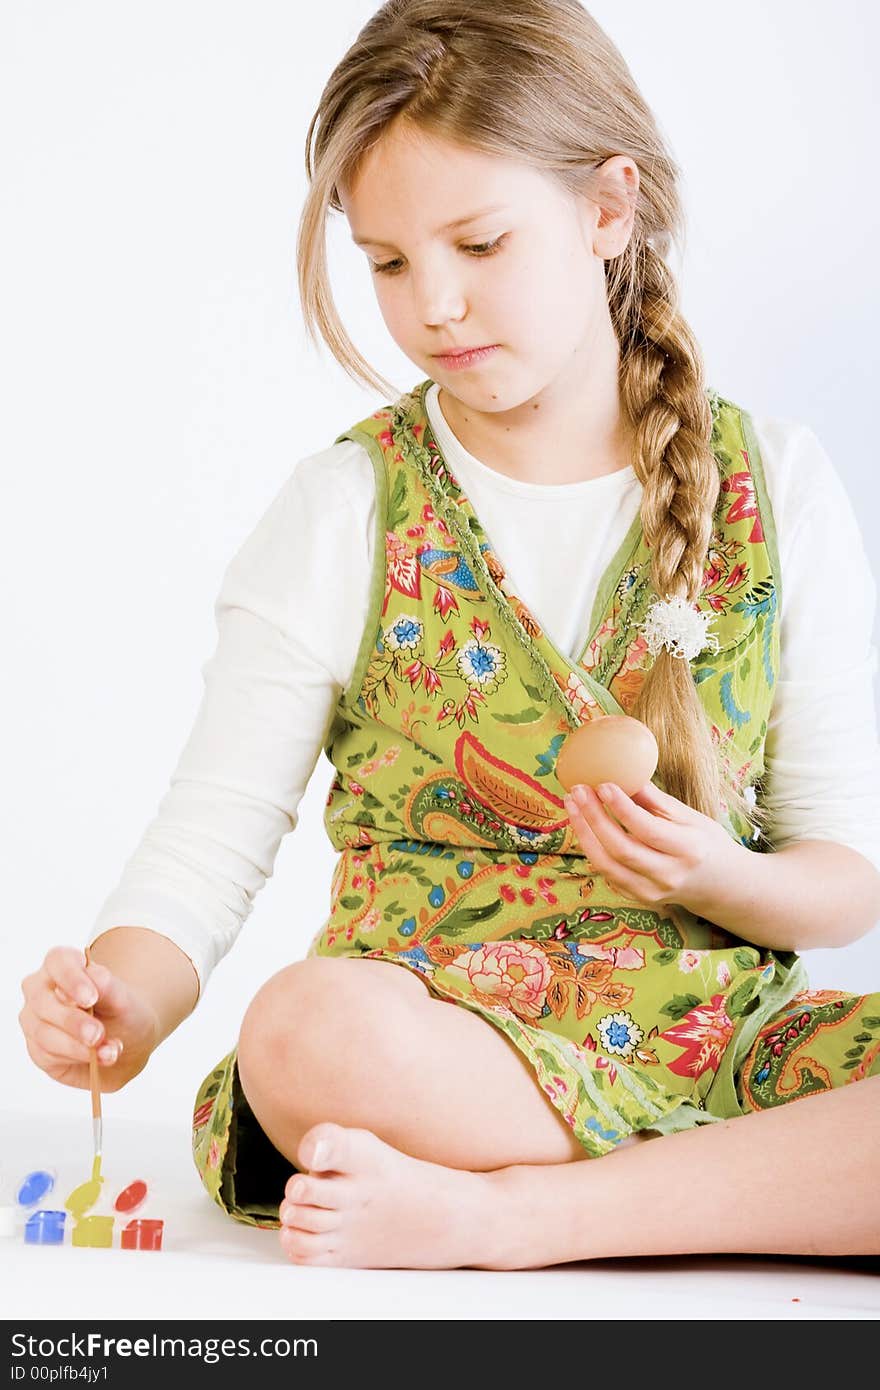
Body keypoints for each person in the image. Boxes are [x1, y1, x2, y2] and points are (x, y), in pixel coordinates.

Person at [19, 0, 880, 1270]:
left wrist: (710, 875)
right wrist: (121, 1001)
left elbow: (841, 878)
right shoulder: (345, 508)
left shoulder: (777, 483)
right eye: (386, 261)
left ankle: (524, 1215)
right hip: (438, 1046)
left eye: (479, 242)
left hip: (716, 1043)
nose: (435, 304)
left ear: (606, 209)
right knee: (304, 1029)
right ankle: (750, 1192)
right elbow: (206, 846)